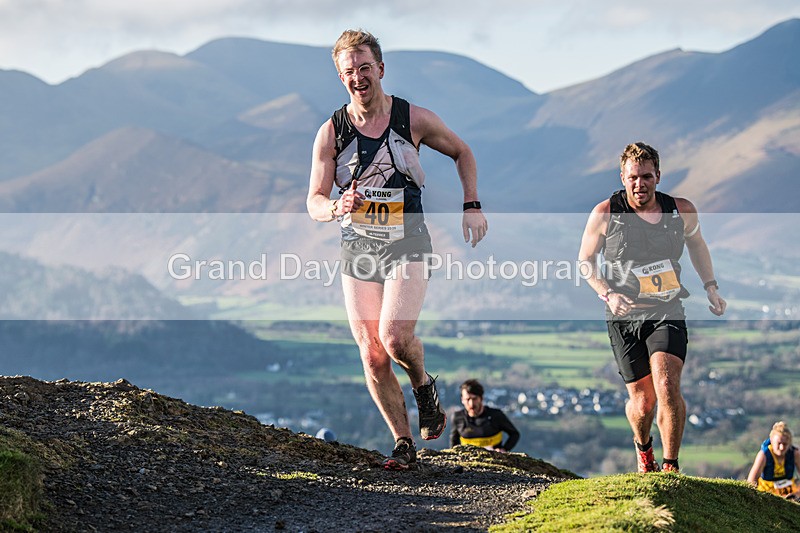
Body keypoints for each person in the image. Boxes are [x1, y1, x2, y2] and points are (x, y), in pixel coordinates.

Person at [306, 29, 488, 470]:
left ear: (381, 70)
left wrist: (472, 205)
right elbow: (313, 201)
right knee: (371, 352)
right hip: (357, 246)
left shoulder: (413, 119)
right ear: (340, 77)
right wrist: (334, 206)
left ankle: (423, 384)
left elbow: (462, 151)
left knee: (394, 338)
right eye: (348, 72)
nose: (358, 77)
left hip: (407, 241)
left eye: (365, 68)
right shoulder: (331, 132)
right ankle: (403, 442)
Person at [578, 142, 726, 474]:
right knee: (643, 403)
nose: (639, 184)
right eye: (633, 177)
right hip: (623, 314)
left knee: (667, 382)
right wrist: (607, 294)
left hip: (667, 310)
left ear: (658, 176)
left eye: (646, 176)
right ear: (622, 177)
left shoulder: (681, 211)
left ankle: (671, 466)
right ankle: (644, 450)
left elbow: (698, 245)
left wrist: (711, 287)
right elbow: (585, 262)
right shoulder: (605, 213)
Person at [450, 379, 520, 452]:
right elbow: (454, 442)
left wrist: (504, 449)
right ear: (462, 400)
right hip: (468, 460)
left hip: (494, 459)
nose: (471, 404)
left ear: (481, 398)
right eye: (467, 399)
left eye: (475, 399)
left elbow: (514, 434)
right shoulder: (457, 418)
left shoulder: (496, 415)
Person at [747, 421, 800, 499]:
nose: (782, 448)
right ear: (772, 441)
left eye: (785, 444)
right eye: (779, 443)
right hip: (767, 495)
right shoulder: (764, 455)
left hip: (789, 494)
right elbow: (752, 480)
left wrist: (797, 494)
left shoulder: (795, 453)